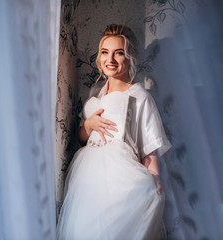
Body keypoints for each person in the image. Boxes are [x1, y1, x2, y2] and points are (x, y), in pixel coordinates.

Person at [56, 24, 171, 240]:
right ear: (99, 58)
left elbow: (149, 150)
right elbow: (82, 139)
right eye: (105, 52)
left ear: (132, 56)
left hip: (120, 177)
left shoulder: (140, 97)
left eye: (119, 53)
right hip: (87, 177)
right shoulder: (95, 92)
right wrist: (88, 126)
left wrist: (155, 180)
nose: (111, 59)